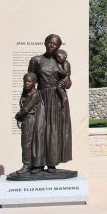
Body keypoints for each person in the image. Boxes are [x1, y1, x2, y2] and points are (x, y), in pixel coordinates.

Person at [27, 34, 72, 172]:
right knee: (39, 130)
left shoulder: (61, 61)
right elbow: (30, 81)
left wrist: (66, 82)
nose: (52, 45)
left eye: (55, 44)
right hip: (41, 97)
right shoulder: (36, 60)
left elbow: (68, 82)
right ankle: (38, 163)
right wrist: (27, 100)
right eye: (50, 43)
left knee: (53, 131)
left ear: (59, 46)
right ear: (45, 43)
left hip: (56, 98)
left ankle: (52, 163)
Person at [14, 72, 45, 174]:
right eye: (24, 81)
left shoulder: (34, 94)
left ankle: (27, 165)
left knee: (26, 143)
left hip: (30, 120)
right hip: (26, 120)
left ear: (34, 83)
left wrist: (18, 115)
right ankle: (30, 164)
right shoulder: (26, 93)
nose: (26, 83)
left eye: (28, 81)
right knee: (27, 143)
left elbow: (26, 109)